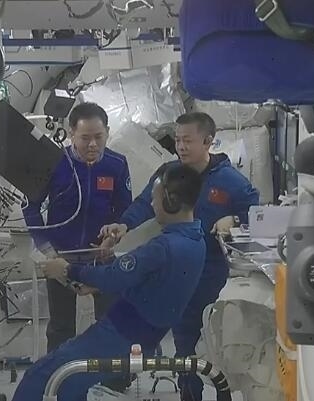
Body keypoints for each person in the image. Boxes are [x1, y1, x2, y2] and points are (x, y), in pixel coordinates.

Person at [100, 111, 260, 401]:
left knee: (219, 345)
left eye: (188, 140)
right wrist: (124, 225)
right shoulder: (168, 174)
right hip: (179, 271)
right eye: (177, 140)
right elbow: (144, 203)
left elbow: (256, 212)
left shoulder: (230, 181)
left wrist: (234, 220)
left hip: (212, 274)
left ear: (208, 141)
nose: (181, 147)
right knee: (185, 344)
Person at [12, 164, 207, 401]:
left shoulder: (163, 247)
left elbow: (114, 277)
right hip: (143, 334)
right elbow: (154, 282)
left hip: (121, 334)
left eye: (155, 198)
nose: (152, 203)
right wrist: (96, 284)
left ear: (171, 202)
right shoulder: (196, 241)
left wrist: (67, 269)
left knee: (41, 376)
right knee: (72, 386)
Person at [22, 102, 133, 352]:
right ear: (71, 134)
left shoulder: (116, 164)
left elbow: (124, 209)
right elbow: (30, 206)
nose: (92, 144)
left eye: (98, 137)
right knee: (60, 327)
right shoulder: (55, 162)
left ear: (107, 133)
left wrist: (112, 237)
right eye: (85, 138)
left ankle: (109, 373)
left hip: (100, 256)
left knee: (109, 322)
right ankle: (56, 374)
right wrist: (46, 248)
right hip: (61, 256)